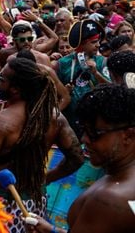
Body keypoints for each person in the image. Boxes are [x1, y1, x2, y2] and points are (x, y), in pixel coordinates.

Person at [0, 58, 84, 233]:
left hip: (0, 205)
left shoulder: (0, 122)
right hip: (36, 203)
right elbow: (76, 158)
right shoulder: (55, 117)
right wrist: (44, 180)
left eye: (2, 79)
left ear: (15, 89)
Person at [29, 84, 135, 233]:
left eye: (94, 133)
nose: (84, 139)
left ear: (128, 135)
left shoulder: (110, 199)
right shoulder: (121, 181)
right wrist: (51, 230)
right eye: (83, 130)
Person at [57, 20, 110, 133]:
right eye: (94, 42)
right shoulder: (62, 63)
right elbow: (54, 92)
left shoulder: (102, 61)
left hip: (96, 119)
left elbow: (111, 88)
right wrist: (64, 91)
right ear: (82, 44)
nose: (98, 45)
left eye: (98, 41)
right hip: (71, 121)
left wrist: (96, 73)